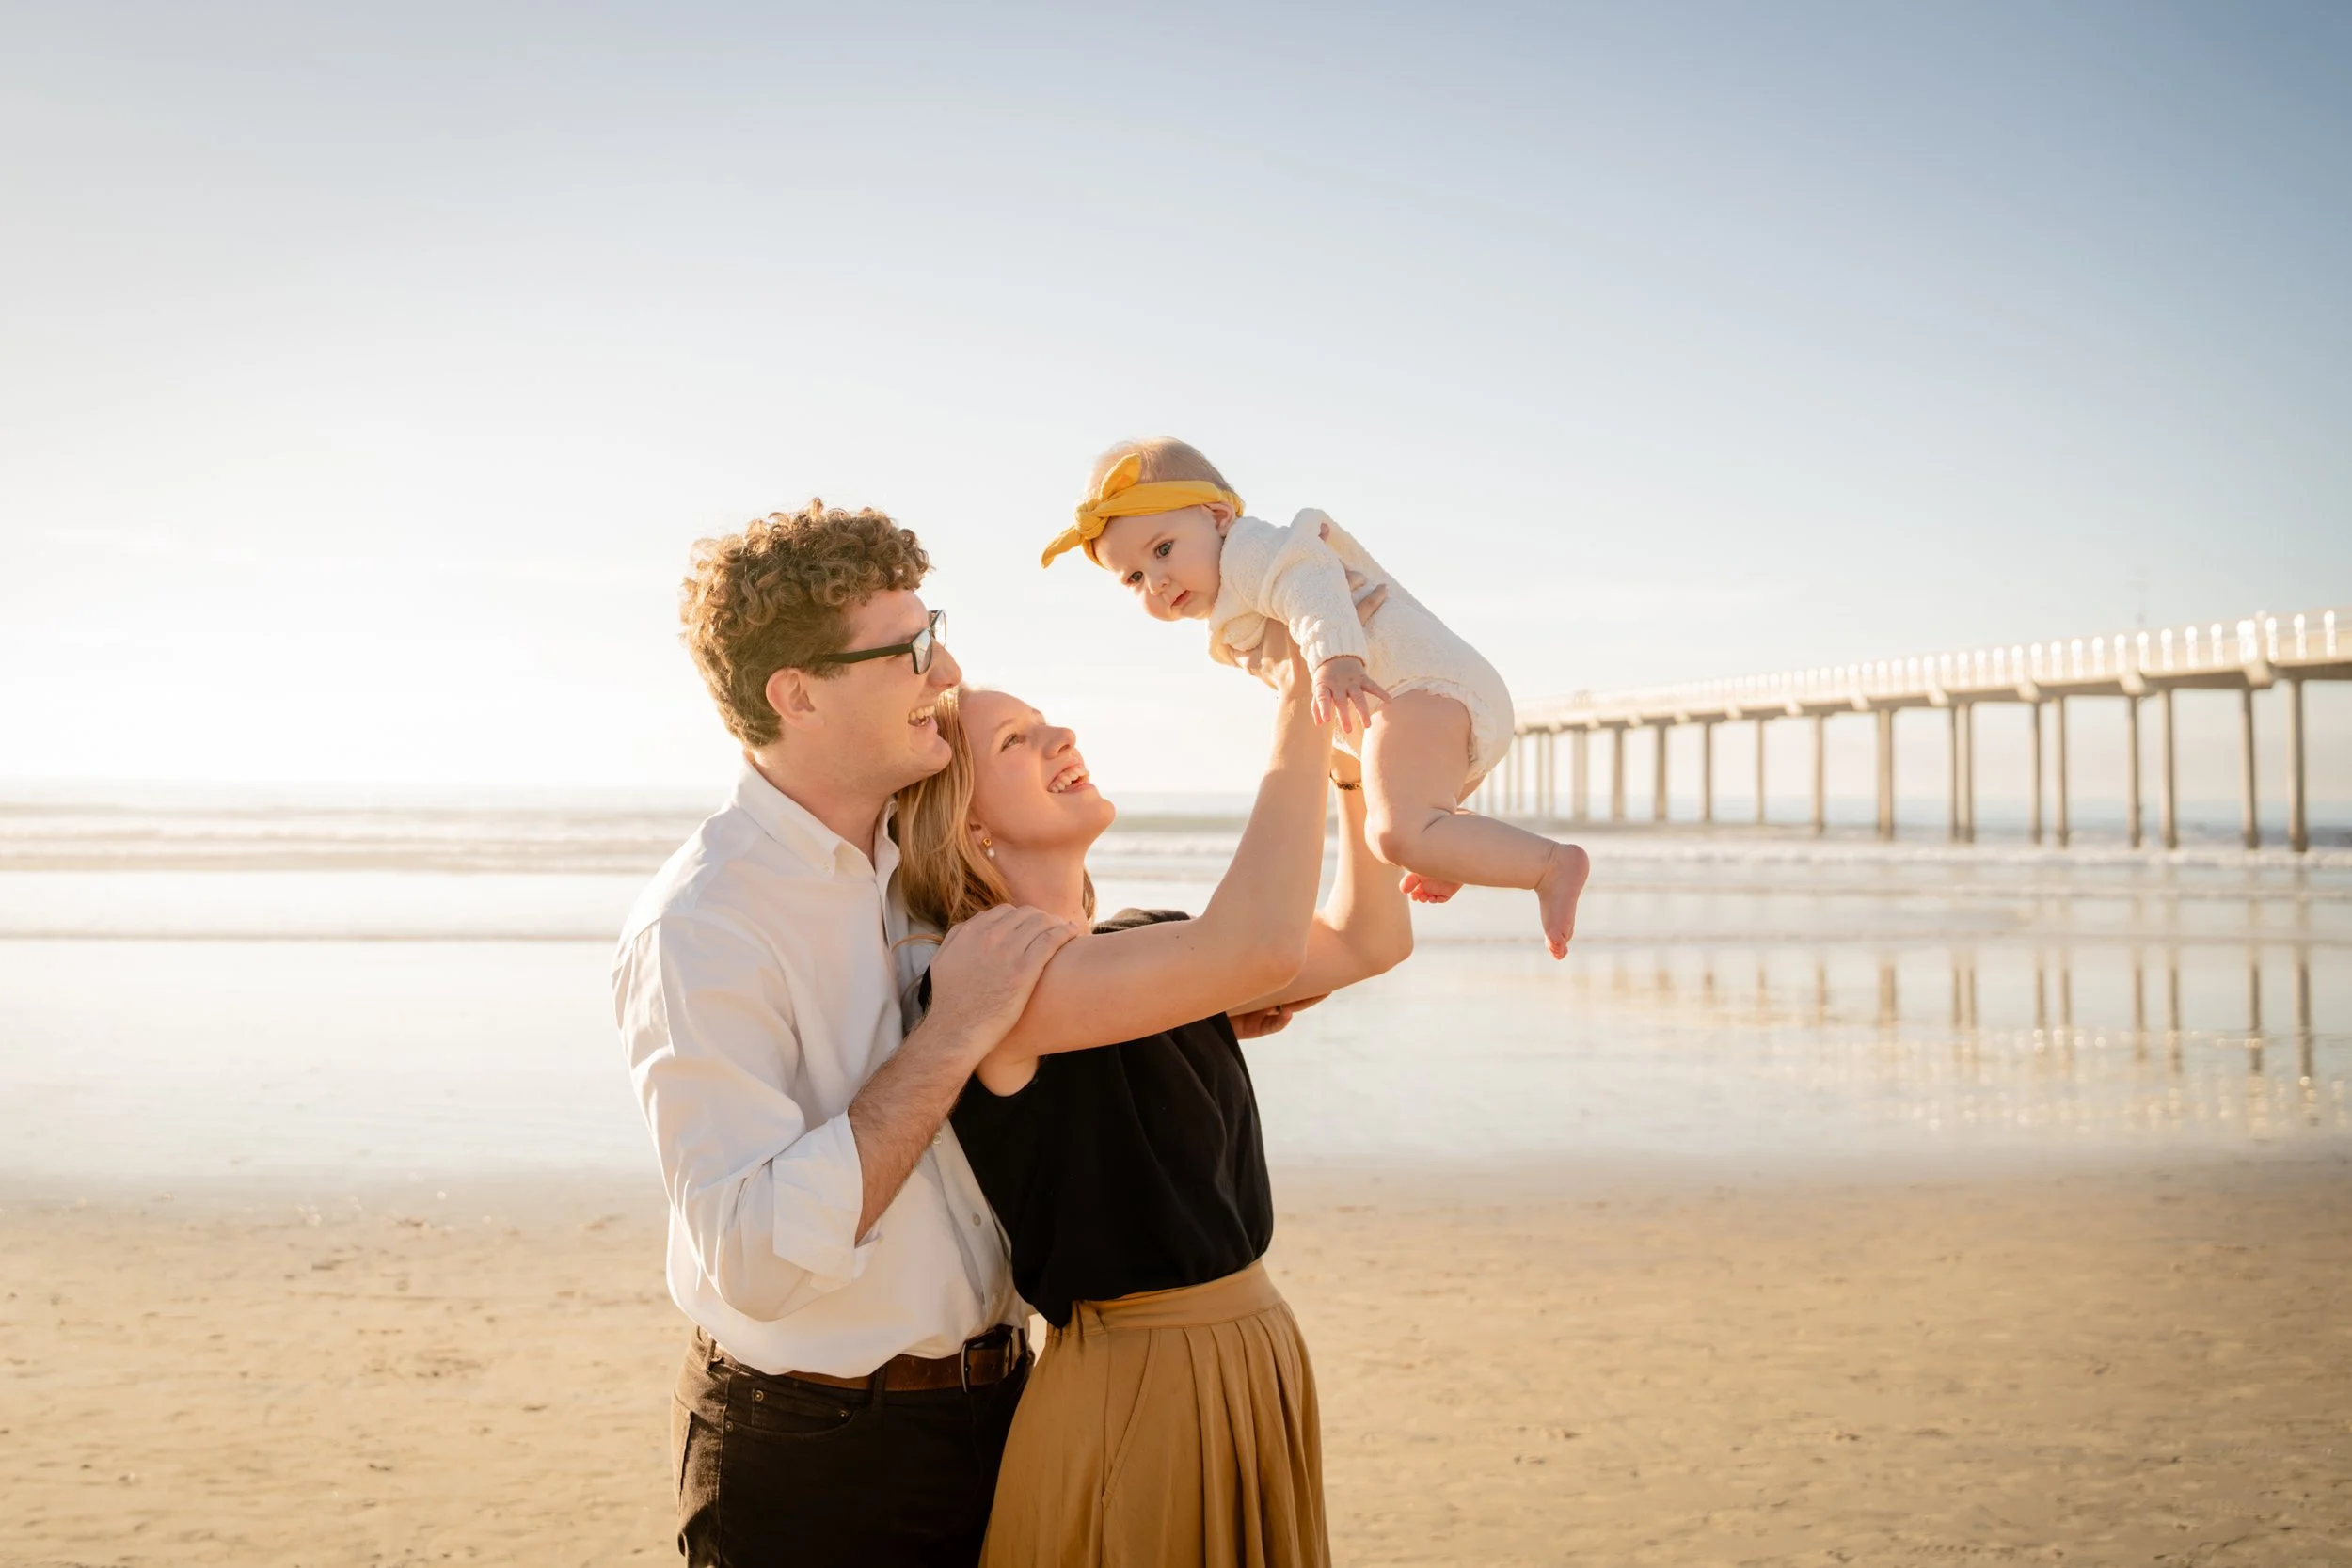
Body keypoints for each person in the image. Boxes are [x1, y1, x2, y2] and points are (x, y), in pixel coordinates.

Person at [613, 499, 1085, 1567]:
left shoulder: (929, 860)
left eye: (938, 628)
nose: (947, 666)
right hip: (819, 1450)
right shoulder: (703, 923)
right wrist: (949, 1034)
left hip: (1008, 1410)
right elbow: (756, 1258)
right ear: (797, 693)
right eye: (910, 647)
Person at [890, 616, 1416, 1568]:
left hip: (1252, 1347)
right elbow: (1254, 942)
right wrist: (1300, 697)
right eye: (1017, 740)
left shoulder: (1153, 944)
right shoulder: (990, 978)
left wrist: (1347, 765)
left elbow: (1370, 939)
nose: (1062, 739)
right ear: (968, 820)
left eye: (1050, 722)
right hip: (1134, 1384)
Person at [1040, 436, 1592, 958]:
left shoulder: (1251, 551)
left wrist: (1336, 659)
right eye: (1134, 577)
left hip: (1422, 688)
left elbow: (1310, 581)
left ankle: (1549, 865)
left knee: (1396, 830)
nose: (1156, 580)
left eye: (1163, 549)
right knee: (1394, 835)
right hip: (1421, 707)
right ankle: (1447, 842)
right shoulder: (1230, 597)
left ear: (1217, 517)